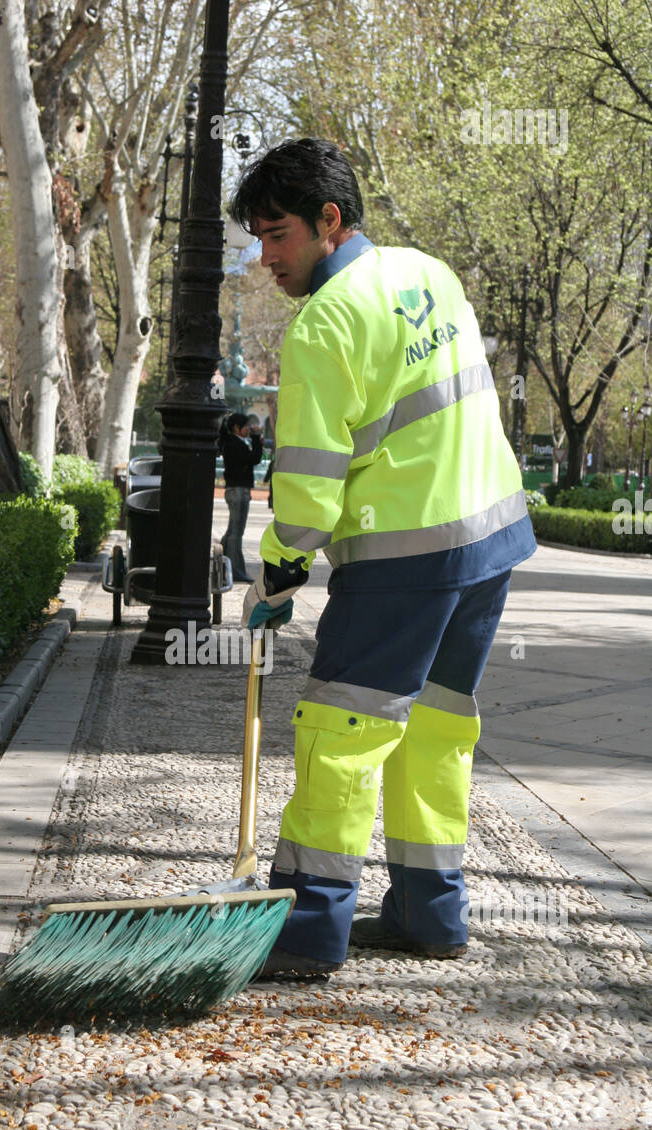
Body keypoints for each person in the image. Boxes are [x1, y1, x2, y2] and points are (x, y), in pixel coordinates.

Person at [230, 138, 537, 978]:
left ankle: (305, 931)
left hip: (405, 556)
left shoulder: (325, 322)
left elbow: (311, 482)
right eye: (259, 239)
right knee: (434, 732)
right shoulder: (428, 273)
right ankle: (431, 913)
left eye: (278, 235)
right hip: (490, 540)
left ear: (330, 221)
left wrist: (281, 565)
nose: (267, 259)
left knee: (343, 734)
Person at [219, 411, 262, 582]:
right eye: (246, 427)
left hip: (236, 490)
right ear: (236, 428)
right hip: (238, 491)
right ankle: (236, 570)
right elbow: (254, 459)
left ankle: (222, 562)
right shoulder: (234, 444)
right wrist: (257, 439)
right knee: (237, 532)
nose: (248, 430)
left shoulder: (232, 442)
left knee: (233, 530)